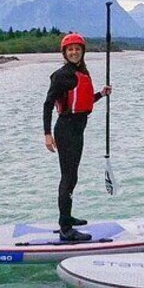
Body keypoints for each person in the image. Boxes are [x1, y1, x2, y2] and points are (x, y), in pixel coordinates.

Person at [43, 32, 112, 242]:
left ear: (82, 52)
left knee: (72, 177)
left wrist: (101, 94)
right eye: (70, 49)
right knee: (68, 177)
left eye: (77, 49)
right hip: (65, 130)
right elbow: (48, 104)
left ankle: (67, 217)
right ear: (64, 53)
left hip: (77, 129)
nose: (74, 52)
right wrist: (47, 134)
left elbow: (83, 102)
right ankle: (65, 228)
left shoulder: (81, 73)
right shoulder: (62, 75)